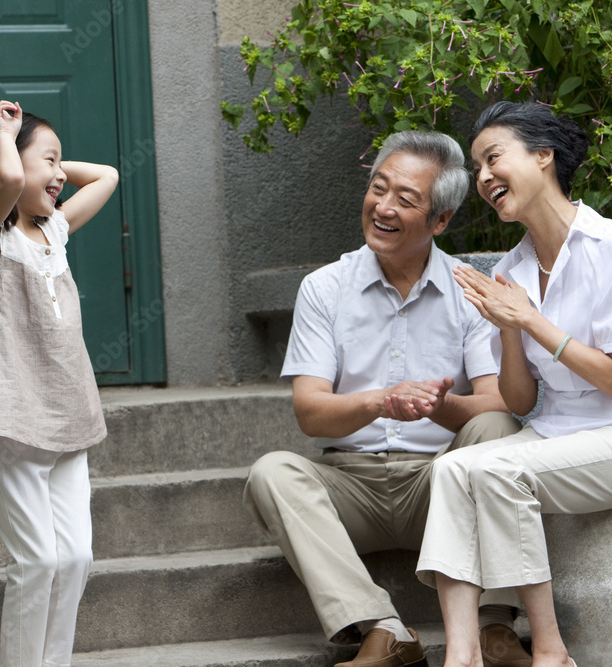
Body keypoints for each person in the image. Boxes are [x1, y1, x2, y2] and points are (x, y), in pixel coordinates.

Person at [244, 131, 530, 667]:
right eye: (379, 189)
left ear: (440, 221)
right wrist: (382, 401)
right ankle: (384, 627)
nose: (384, 206)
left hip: (439, 485)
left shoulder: (472, 292)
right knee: (272, 473)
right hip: (351, 483)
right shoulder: (324, 288)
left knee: (498, 434)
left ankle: (494, 624)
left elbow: (499, 402)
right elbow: (310, 413)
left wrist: (435, 407)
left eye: (406, 199)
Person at [416, 101, 612, 667]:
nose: (484, 178)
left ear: (543, 156)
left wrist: (529, 319)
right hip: (558, 434)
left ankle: (552, 651)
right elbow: (521, 401)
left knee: (496, 468)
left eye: (494, 158)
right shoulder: (510, 270)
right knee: (451, 469)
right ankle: (462, 656)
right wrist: (509, 331)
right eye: (478, 169)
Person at [0, 85, 119, 667]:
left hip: (67, 413)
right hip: (12, 415)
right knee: (38, 562)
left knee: (75, 558)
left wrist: (47, 168)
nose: (60, 175)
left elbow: (107, 176)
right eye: (48, 160)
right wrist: (5, 139)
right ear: (8, 163)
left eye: (59, 162)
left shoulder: (54, 232)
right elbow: (3, 188)